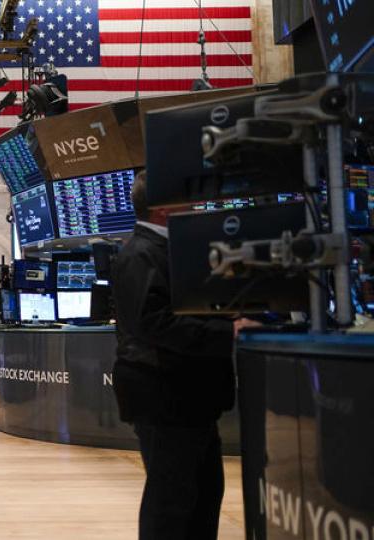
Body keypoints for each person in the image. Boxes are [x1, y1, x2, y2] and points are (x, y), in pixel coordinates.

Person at [112, 171, 259, 539]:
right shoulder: (141, 253)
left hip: (187, 396)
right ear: (162, 208)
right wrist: (228, 332)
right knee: (171, 502)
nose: (195, 205)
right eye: (186, 198)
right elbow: (155, 323)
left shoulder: (163, 249)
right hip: (165, 394)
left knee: (203, 495)